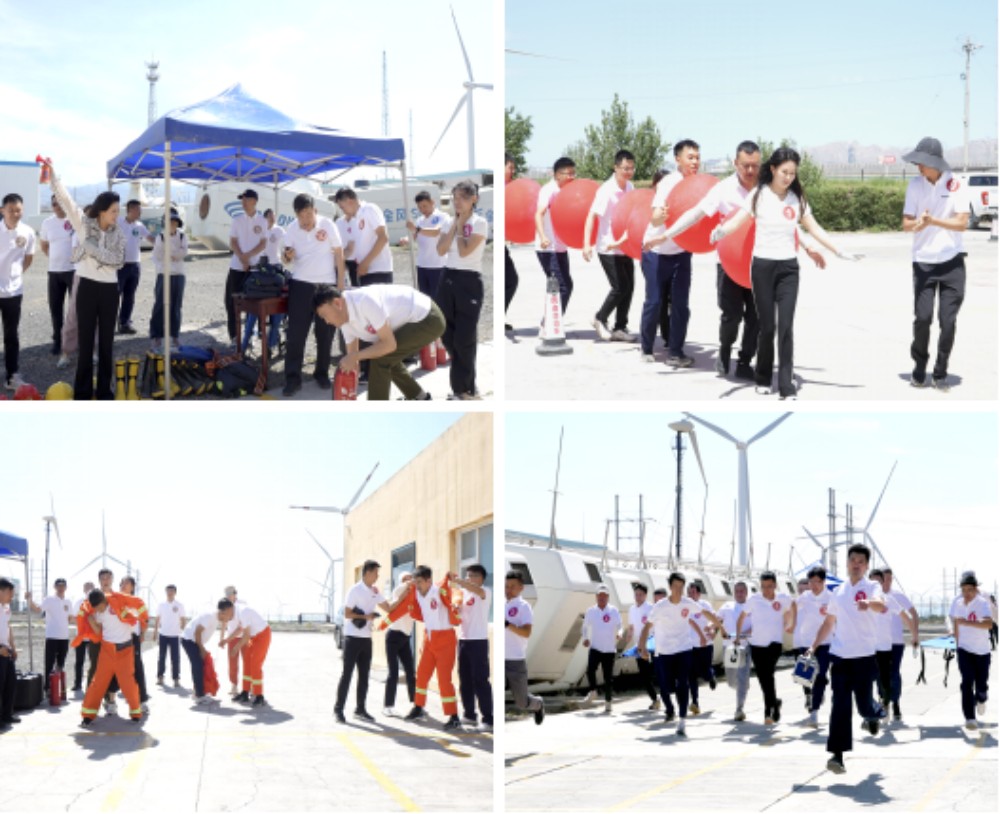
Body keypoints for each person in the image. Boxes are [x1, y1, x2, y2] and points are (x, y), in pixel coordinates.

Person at [708, 147, 861, 400]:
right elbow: (738, 221)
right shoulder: (759, 194)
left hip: (788, 269)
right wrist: (721, 232)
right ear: (773, 169)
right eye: (784, 172)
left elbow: (814, 228)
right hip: (762, 267)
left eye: (792, 173)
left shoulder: (796, 198)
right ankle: (763, 377)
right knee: (767, 327)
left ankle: (786, 385)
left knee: (786, 327)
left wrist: (838, 250)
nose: (789, 177)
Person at [46, 160, 126, 400]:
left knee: (106, 344)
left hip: (110, 291)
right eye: (114, 211)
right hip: (87, 288)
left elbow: (117, 261)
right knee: (85, 341)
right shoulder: (83, 225)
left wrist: (93, 250)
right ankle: (82, 393)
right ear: (102, 210)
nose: (117, 215)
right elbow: (66, 201)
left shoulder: (118, 234)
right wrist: (53, 176)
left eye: (118, 211)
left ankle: (104, 392)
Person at [806, 544, 886, 774]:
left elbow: (880, 604)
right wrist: (813, 646)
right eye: (853, 560)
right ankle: (837, 755)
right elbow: (829, 622)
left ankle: (874, 713)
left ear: (867, 565)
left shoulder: (872, 586)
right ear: (847, 563)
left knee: (863, 705)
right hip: (840, 657)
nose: (856, 565)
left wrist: (868, 603)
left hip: (864, 657)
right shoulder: (838, 591)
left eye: (861, 561)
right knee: (840, 705)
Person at [901, 137, 969, 390]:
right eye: (917, 162)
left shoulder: (956, 184)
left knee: (947, 322)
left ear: (936, 163)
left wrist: (934, 222)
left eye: (923, 162)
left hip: (952, 263)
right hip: (923, 262)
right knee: (923, 318)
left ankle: (940, 372)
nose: (918, 166)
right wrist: (918, 224)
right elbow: (906, 224)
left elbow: (962, 223)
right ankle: (920, 366)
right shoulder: (915, 185)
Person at [315, 284, 443, 401]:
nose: (327, 321)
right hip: (411, 320)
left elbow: (389, 345)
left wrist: (356, 356)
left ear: (337, 303)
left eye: (325, 315)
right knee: (384, 356)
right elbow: (353, 361)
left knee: (380, 359)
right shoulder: (344, 320)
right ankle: (420, 397)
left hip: (428, 318)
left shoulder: (365, 302)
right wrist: (349, 388)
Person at [640, 139, 702, 367]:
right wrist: (661, 216)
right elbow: (655, 217)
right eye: (690, 157)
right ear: (678, 159)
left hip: (682, 253)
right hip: (656, 251)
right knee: (655, 302)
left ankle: (676, 352)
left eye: (697, 157)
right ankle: (646, 347)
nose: (695, 162)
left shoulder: (698, 184)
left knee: (681, 305)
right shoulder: (669, 183)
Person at [281, 193, 346, 396]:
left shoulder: (327, 224)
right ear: (296, 214)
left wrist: (340, 283)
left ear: (315, 210)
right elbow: (286, 260)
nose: (306, 219)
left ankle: (322, 373)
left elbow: (339, 253)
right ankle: (293, 378)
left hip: (326, 285)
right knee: (296, 334)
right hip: (301, 285)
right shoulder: (292, 229)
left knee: (325, 333)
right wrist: (287, 256)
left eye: (309, 214)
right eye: (302, 215)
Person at [384, 566, 463, 730]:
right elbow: (403, 600)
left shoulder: (439, 591)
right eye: (416, 582)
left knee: (444, 680)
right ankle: (418, 707)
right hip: (429, 639)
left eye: (420, 582)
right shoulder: (417, 593)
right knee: (421, 676)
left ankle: (454, 716)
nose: (417, 585)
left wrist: (451, 586)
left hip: (445, 639)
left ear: (429, 581)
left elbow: (454, 593)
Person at [436, 181, 489, 400]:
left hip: (469, 280)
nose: (457, 202)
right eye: (455, 198)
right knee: (447, 335)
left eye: (463, 198)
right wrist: (454, 225)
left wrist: (460, 228)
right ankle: (463, 387)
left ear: (474, 199)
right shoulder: (448, 221)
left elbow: (465, 251)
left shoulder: (479, 223)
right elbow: (441, 250)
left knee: (464, 338)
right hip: (448, 277)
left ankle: (465, 389)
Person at [639, 572, 705, 737]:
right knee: (666, 686)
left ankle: (682, 720)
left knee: (683, 683)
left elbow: (703, 613)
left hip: (683, 649)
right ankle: (670, 708)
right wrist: (642, 647)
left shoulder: (687, 602)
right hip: (664, 652)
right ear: (670, 587)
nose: (678, 590)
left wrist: (720, 627)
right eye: (675, 586)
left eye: (681, 587)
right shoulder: (660, 606)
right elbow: (647, 627)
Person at [583, 149, 636, 342]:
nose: (628, 172)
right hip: (608, 247)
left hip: (625, 245)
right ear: (616, 167)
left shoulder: (630, 186)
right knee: (619, 287)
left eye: (631, 168)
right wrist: (586, 244)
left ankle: (620, 327)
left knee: (629, 287)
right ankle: (600, 317)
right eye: (625, 168)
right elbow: (591, 216)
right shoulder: (606, 190)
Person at [335, 560, 393, 723]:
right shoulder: (354, 590)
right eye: (375, 573)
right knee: (347, 675)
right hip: (352, 638)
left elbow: (388, 608)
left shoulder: (374, 591)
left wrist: (404, 593)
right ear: (367, 573)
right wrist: (366, 617)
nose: (377, 576)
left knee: (364, 677)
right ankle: (338, 710)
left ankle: (360, 709)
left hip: (366, 639)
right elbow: (347, 613)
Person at [79, 588, 144, 726]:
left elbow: (135, 614)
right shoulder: (98, 614)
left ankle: (135, 713)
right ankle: (88, 715)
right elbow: (98, 631)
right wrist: (91, 620)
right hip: (107, 651)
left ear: (104, 601)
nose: (98, 610)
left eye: (99, 607)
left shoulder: (120, 604)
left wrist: (133, 616)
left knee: (128, 684)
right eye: (95, 608)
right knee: (98, 683)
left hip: (125, 651)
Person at [737, 570, 795, 725]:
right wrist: (737, 636)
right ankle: (775, 703)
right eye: (763, 586)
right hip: (756, 645)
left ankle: (768, 711)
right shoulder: (754, 599)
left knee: (768, 675)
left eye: (769, 586)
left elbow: (793, 605)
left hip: (774, 644)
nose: (766, 590)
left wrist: (791, 623)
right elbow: (741, 617)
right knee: (764, 678)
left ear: (775, 585)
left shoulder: (783, 598)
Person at [1, 192, 35, 390]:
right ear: (2, 210)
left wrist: (15, 275)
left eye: (18, 210)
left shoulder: (28, 232)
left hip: (13, 292)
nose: (15, 214)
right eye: (11, 210)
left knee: (11, 335)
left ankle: (12, 376)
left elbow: (28, 258)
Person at [534, 157, 577, 319]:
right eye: (568, 173)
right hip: (548, 248)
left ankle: (551, 323)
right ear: (558, 174)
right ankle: (549, 324)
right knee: (562, 287)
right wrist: (543, 236)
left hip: (560, 247)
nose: (571, 177)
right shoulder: (549, 190)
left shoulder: (567, 191)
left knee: (565, 286)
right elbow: (538, 214)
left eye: (573, 173)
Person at [452, 565, 493, 731]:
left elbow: (475, 589)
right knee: (465, 680)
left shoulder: (485, 592)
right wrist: (455, 609)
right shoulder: (462, 594)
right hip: (463, 640)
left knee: (480, 680)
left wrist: (458, 581)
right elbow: (457, 615)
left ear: (482, 578)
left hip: (478, 641)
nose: (469, 578)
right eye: (467, 575)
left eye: (473, 576)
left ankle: (488, 719)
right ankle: (469, 714)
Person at [950, 572, 992, 730]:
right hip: (964, 649)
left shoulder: (982, 603)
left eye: (969, 590)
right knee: (967, 681)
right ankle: (970, 718)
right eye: (963, 590)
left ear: (975, 589)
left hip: (982, 651)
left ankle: (981, 698)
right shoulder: (958, 603)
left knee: (981, 685)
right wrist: (956, 643)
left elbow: (988, 624)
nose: (966, 593)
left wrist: (967, 623)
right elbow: (956, 622)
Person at [226, 189, 267, 346]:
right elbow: (233, 242)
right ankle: (234, 336)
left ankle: (249, 336)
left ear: (254, 201)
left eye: (245, 199)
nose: (243, 203)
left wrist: (248, 257)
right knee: (232, 302)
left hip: (254, 269)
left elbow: (263, 243)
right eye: (241, 200)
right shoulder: (237, 220)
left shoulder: (262, 221)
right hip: (237, 267)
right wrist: (242, 257)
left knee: (253, 304)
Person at [243, 208, 286, 356]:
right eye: (270, 216)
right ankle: (248, 341)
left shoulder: (279, 230)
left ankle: (271, 343)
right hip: (261, 268)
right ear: (265, 217)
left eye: (274, 216)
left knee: (277, 309)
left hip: (276, 267)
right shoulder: (260, 230)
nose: (272, 219)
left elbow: (286, 246)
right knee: (254, 310)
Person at [504, 570, 544, 724]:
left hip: (516, 660)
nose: (509, 590)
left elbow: (527, 632)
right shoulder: (502, 604)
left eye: (513, 586)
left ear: (521, 588)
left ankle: (538, 704)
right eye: (506, 586)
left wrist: (508, 624)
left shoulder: (524, 606)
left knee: (522, 702)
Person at [795, 567, 833, 727]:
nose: (814, 585)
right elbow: (791, 609)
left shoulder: (831, 598)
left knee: (820, 675)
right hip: (806, 642)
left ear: (823, 582)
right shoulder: (805, 597)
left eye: (817, 582)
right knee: (804, 677)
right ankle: (815, 696)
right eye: (811, 582)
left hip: (826, 643)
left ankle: (814, 712)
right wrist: (788, 622)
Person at [39, 195, 76, 356]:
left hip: (73, 271)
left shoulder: (75, 220)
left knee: (75, 310)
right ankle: (58, 341)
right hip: (54, 272)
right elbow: (44, 245)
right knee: (55, 309)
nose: (57, 206)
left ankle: (74, 340)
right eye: (54, 204)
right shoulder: (47, 223)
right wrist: (55, 258)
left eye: (60, 203)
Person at [334, 188, 393, 286]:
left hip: (378, 270)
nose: (343, 211)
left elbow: (383, 238)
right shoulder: (355, 218)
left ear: (350, 201)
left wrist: (365, 263)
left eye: (342, 207)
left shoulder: (369, 209)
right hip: (365, 270)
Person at [24, 579, 73, 695]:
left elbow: (70, 617)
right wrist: (30, 600)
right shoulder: (49, 600)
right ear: (55, 587)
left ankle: (58, 688)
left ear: (66, 587)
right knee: (49, 663)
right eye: (58, 586)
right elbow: (37, 609)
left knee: (61, 664)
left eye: (63, 586)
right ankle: (48, 688)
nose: (61, 588)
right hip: (52, 636)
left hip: (64, 637)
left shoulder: (68, 601)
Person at [149, 213, 188, 352]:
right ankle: (156, 335)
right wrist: (170, 259)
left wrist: (171, 255)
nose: (173, 225)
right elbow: (157, 256)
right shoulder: (160, 237)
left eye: (175, 222)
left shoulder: (182, 236)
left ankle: (174, 335)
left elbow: (184, 252)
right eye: (170, 222)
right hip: (164, 274)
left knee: (176, 306)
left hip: (179, 274)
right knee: (160, 305)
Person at [581, 584, 622, 713]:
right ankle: (593, 691)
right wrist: (585, 638)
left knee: (607, 677)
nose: (601, 598)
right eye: (599, 596)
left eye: (604, 596)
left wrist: (619, 633)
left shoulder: (613, 610)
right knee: (590, 670)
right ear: (596, 597)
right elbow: (585, 627)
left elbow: (620, 625)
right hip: (595, 647)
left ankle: (608, 702)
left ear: (608, 597)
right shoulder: (591, 611)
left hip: (609, 649)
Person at [116, 200, 153, 335]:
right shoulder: (118, 222)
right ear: (130, 210)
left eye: (140, 209)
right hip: (120, 266)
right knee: (114, 296)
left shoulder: (139, 225)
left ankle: (125, 323)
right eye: (138, 209)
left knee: (129, 296)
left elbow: (150, 238)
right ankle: (107, 324)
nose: (140, 212)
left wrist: (164, 243)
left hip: (135, 265)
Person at [225, 600, 271, 708]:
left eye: (225, 614)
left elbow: (245, 636)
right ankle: (245, 693)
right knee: (247, 663)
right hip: (253, 638)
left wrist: (236, 647)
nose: (225, 618)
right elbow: (239, 629)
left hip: (263, 635)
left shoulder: (243, 612)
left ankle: (259, 696)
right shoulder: (237, 611)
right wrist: (226, 640)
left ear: (229, 609)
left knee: (255, 665)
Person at [382, 573, 416, 717]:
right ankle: (388, 706)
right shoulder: (398, 591)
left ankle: (416, 704)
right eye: (405, 578)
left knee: (410, 672)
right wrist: (412, 581)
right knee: (394, 672)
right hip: (393, 637)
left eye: (410, 577)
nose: (409, 580)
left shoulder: (413, 594)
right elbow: (407, 585)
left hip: (405, 638)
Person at [717, 580, 752, 721]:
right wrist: (711, 628)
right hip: (729, 647)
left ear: (746, 592)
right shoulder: (727, 606)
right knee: (732, 680)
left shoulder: (751, 607)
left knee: (742, 677)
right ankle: (742, 686)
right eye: (737, 591)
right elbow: (717, 619)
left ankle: (739, 709)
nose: (739, 593)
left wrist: (743, 635)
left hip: (745, 646)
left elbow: (755, 626)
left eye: (742, 591)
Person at [685, 581, 720, 715]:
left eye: (693, 592)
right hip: (690, 645)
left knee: (705, 672)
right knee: (691, 675)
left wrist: (712, 629)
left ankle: (711, 677)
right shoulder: (685, 607)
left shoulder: (705, 605)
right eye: (689, 592)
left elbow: (715, 619)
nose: (691, 594)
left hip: (706, 644)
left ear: (699, 594)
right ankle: (695, 702)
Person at [182, 602, 224, 705]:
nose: (230, 617)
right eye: (229, 614)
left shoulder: (215, 617)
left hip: (192, 641)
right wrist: (201, 649)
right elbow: (197, 632)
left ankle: (198, 692)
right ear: (223, 612)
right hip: (189, 640)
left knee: (199, 666)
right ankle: (199, 696)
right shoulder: (210, 616)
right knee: (198, 666)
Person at [119, 576, 150, 713]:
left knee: (137, 667)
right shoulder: (116, 600)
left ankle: (142, 700)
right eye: (122, 583)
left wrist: (142, 633)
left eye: (127, 583)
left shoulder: (138, 602)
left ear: (132, 587)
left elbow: (145, 619)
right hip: (118, 638)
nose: (124, 585)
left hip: (133, 638)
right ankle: (111, 701)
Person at [625, 583, 659, 711]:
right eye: (636, 594)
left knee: (656, 672)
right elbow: (631, 626)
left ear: (645, 595)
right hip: (639, 646)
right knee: (645, 676)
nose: (638, 597)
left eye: (640, 594)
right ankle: (655, 699)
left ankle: (667, 694)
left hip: (651, 645)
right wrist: (629, 635)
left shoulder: (650, 608)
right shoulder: (632, 609)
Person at [154, 584, 187, 688]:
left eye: (172, 591)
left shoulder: (179, 605)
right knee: (161, 657)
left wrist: (183, 631)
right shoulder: (161, 605)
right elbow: (157, 619)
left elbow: (183, 619)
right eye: (168, 591)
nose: (170, 593)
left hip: (175, 635)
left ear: (175, 592)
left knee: (175, 658)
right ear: (166, 592)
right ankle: (160, 677)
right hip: (163, 634)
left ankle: (176, 679)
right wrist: (155, 632)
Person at [0, 578, 20, 730]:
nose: (11, 597)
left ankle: (7, 714)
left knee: (10, 684)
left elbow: (8, 627)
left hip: (7, 650)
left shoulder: (6, 608)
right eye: (9, 593)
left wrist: (13, 647)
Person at [218, 586, 245, 696]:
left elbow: (243, 625)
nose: (229, 596)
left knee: (247, 661)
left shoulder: (242, 604)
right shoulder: (225, 605)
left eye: (230, 594)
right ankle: (234, 685)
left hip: (244, 637)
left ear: (235, 594)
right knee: (232, 662)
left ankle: (250, 686)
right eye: (227, 595)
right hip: (231, 638)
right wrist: (221, 638)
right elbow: (224, 623)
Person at [504, 154, 520, 332]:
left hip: (504, 244)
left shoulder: (512, 187)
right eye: (510, 167)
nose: (512, 171)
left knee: (510, 281)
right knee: (510, 280)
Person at [71, 581, 95, 691]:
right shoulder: (79, 601)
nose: (89, 589)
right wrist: (82, 625)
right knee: (79, 661)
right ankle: (77, 684)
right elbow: (73, 617)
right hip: (81, 636)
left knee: (93, 661)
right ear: (83, 589)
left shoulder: (96, 600)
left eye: (91, 587)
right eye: (87, 587)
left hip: (92, 637)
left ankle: (92, 683)